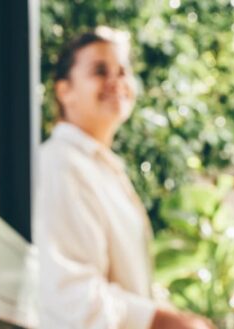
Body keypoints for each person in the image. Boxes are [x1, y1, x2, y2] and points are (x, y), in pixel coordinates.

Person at [34, 27, 214, 329]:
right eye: (99, 71)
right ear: (64, 91)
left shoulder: (102, 168)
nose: (116, 82)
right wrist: (165, 322)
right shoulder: (61, 164)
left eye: (123, 70)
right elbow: (68, 296)